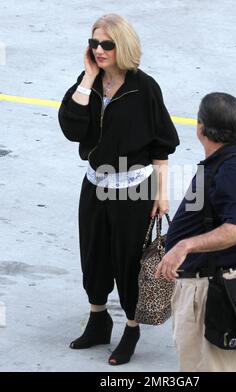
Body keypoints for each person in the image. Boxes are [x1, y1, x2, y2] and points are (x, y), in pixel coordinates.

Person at [58, 13, 179, 365]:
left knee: (128, 261)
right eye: (94, 43)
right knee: (93, 254)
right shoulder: (89, 83)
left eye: (106, 44)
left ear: (122, 45)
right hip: (95, 184)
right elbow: (71, 128)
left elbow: (161, 145)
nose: (98, 49)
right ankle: (98, 319)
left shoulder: (145, 88)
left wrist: (161, 192)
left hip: (132, 189)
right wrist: (89, 77)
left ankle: (131, 326)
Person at [156, 92, 236, 372]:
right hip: (214, 284)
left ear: (200, 128)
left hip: (213, 291)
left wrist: (184, 246)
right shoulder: (228, 161)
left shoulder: (231, 170)